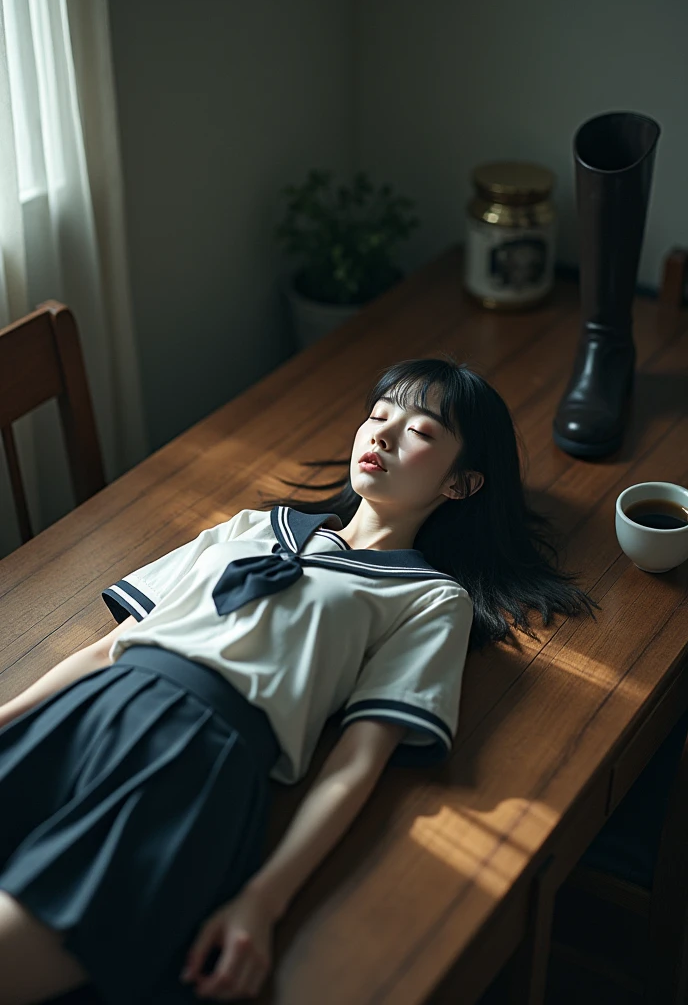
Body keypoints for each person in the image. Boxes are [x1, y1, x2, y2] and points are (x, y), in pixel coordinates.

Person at [0, 354, 600, 1005]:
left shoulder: (431, 600)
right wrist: (7, 718)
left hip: (187, 764)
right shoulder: (252, 526)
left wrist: (263, 901)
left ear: (460, 485)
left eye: (422, 431)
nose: (383, 433)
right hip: (86, 714)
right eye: (377, 415)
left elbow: (356, 764)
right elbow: (109, 646)